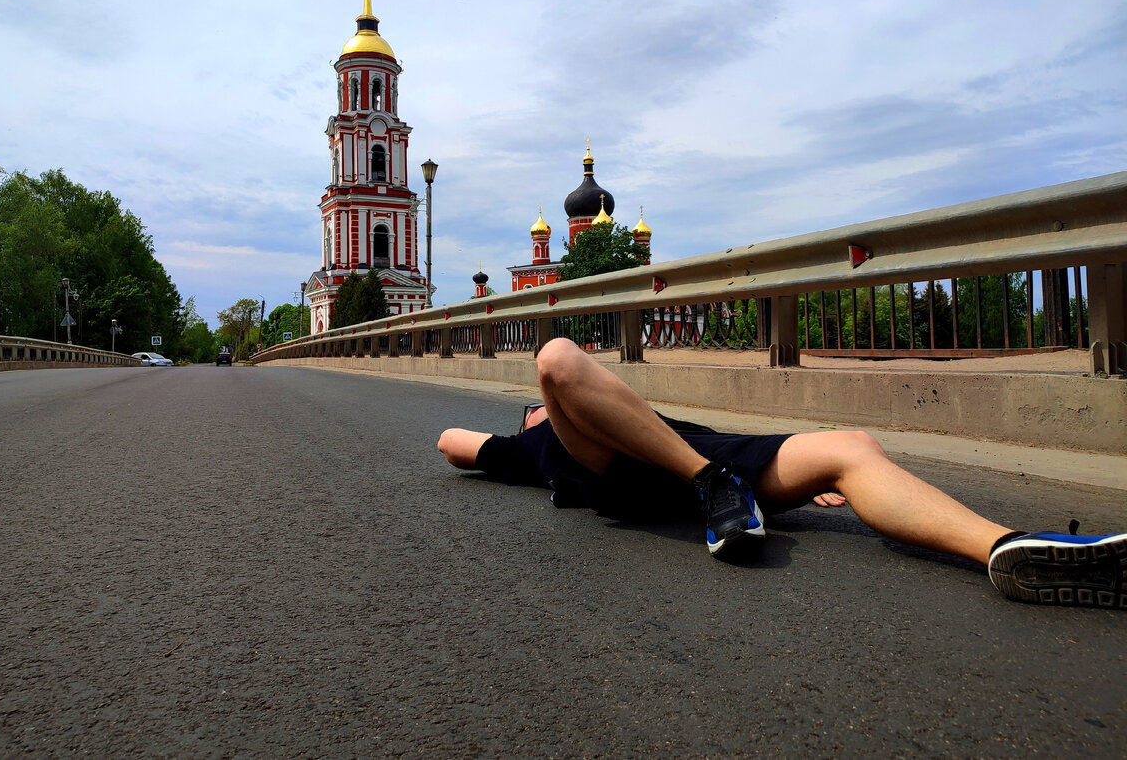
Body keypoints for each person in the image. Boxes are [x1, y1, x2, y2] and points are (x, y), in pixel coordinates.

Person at [438, 337, 1126, 609]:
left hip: (711, 455)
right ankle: (716, 487)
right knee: (556, 355)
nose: (552, 408)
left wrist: (795, 480)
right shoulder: (534, 444)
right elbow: (450, 439)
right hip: (620, 476)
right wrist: (528, 424)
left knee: (850, 447)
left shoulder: (642, 415)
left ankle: (1006, 546)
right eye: (544, 411)